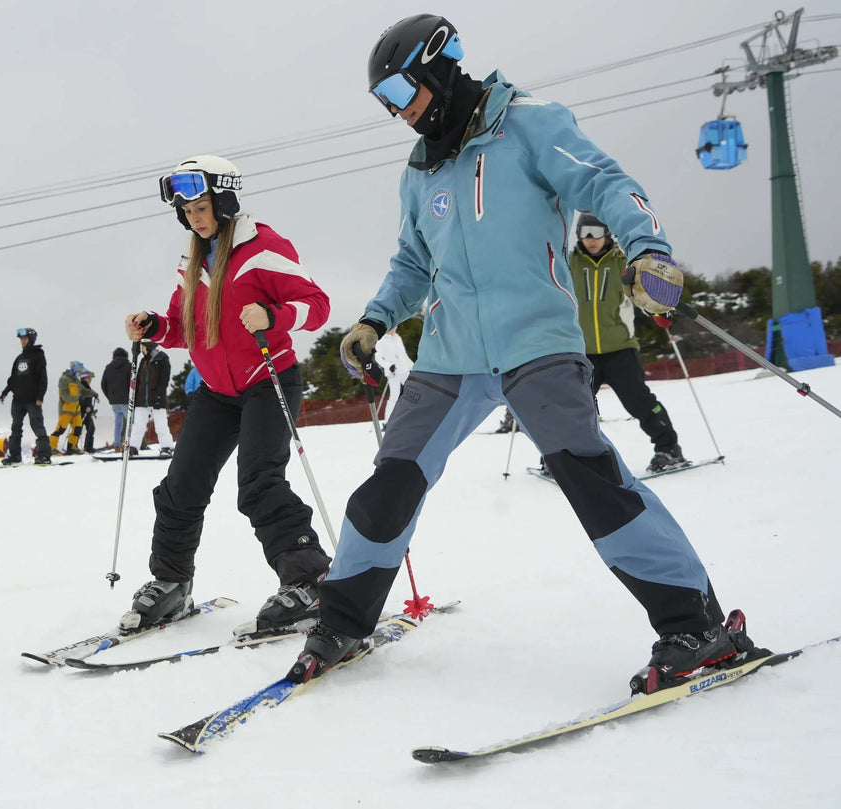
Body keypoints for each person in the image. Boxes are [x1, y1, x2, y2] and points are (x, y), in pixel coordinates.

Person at [287, 16, 765, 693]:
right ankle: (342, 619)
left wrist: (647, 248)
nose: (398, 111)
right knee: (390, 479)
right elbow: (412, 262)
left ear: (440, 66)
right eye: (384, 101)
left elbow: (604, 182)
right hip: (451, 353)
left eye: (401, 90)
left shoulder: (529, 124)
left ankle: (696, 621)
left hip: (535, 342)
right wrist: (374, 319)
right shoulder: (421, 171)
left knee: (588, 472)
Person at [121, 154, 333, 635]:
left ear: (224, 200)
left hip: (268, 379)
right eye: (186, 211)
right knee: (180, 488)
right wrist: (155, 327)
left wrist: (274, 317)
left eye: (201, 207)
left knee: (259, 482)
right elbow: (185, 328)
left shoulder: (263, 247)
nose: (194, 218)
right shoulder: (192, 261)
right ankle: (171, 584)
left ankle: (309, 581)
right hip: (217, 392)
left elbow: (316, 306)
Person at [570, 213, 689, 473]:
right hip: (581, 352)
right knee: (574, 407)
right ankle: (563, 458)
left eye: (596, 231)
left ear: (607, 233)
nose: (591, 239)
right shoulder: (570, 264)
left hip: (620, 348)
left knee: (639, 402)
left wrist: (658, 304)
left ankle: (668, 449)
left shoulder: (623, 263)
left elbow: (642, 291)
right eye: (586, 232)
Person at [0, 327, 52, 465]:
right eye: (21, 339)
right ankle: (15, 456)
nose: (22, 341)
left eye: (25, 338)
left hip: (33, 400)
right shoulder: (19, 358)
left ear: (31, 339)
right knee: (15, 428)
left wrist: (40, 397)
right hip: (18, 400)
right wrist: (5, 392)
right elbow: (13, 379)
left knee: (37, 427)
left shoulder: (38, 356)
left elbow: (43, 378)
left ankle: (44, 455)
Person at [127, 341, 174, 455]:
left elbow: (164, 380)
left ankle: (167, 446)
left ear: (149, 347)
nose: (142, 349)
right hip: (142, 398)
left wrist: (159, 396)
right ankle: (133, 447)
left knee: (161, 424)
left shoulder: (162, 359)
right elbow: (138, 380)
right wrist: (134, 397)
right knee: (138, 424)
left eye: (143, 347)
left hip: (157, 397)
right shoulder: (144, 361)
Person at [50, 361, 96, 455]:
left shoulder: (76, 381)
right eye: (80, 371)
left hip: (76, 410)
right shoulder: (64, 379)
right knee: (61, 429)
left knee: (78, 429)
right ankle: (51, 448)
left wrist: (93, 393)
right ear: (74, 369)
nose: (80, 373)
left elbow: (83, 391)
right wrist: (77, 398)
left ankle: (72, 448)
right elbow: (64, 395)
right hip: (66, 410)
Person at [372, 328, 413, 423]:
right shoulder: (381, 340)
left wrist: (414, 367)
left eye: (395, 326)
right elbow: (378, 358)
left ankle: (413, 417)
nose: (394, 328)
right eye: (392, 327)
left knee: (412, 392)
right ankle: (388, 421)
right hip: (393, 372)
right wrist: (389, 365)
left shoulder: (397, 338)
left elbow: (404, 355)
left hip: (404, 369)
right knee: (395, 395)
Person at [101, 347, 133, 449]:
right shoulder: (129, 366)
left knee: (118, 424)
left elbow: (103, 384)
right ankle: (130, 444)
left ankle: (117, 445)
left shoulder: (108, 367)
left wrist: (110, 397)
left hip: (114, 401)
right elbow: (132, 383)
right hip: (126, 400)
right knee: (131, 423)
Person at [79, 369, 98, 453]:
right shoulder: (83, 386)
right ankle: (88, 447)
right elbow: (81, 399)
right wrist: (86, 407)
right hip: (83, 412)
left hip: (86, 411)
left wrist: (92, 410)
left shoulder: (85, 386)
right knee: (88, 428)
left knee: (88, 428)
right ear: (85, 378)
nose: (90, 380)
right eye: (89, 378)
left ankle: (87, 447)